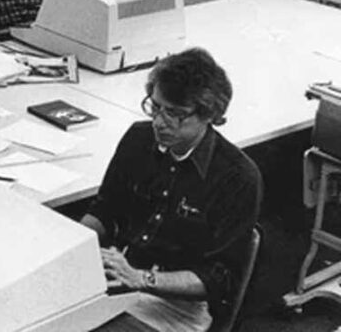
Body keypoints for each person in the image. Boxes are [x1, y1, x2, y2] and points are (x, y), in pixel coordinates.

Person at [81, 48, 262, 332]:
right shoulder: (138, 139)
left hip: (175, 310)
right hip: (115, 285)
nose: (159, 121)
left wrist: (141, 278)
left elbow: (218, 278)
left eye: (175, 114)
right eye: (155, 107)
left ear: (208, 115)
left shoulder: (237, 177)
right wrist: (72, 246)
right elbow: (105, 210)